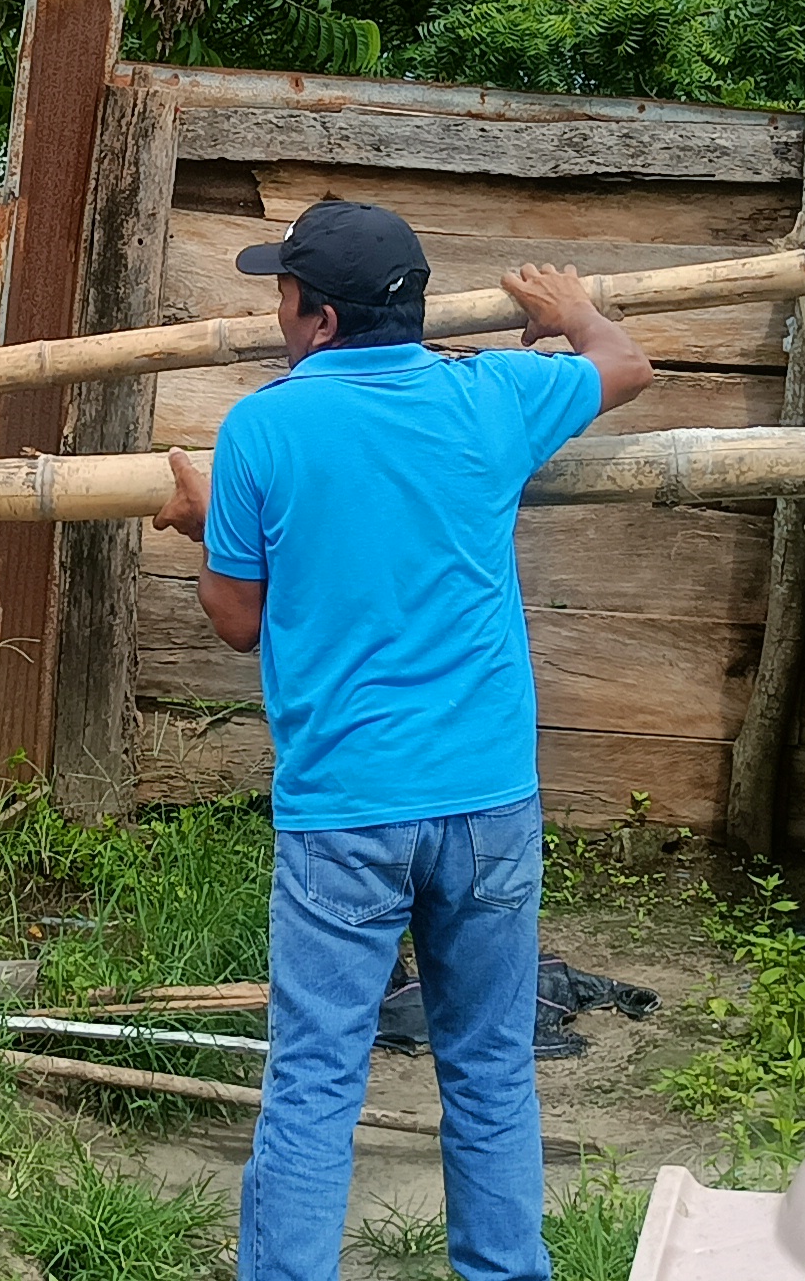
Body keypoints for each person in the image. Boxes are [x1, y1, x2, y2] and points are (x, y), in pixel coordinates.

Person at [152, 199, 653, 1281]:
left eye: (284, 296)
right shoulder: (492, 395)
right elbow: (625, 365)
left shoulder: (263, 430)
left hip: (346, 811)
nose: (277, 314)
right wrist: (574, 311)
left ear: (320, 319)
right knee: (490, 1068)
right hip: (486, 802)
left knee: (315, 1079)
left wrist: (207, 524)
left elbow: (236, 619)